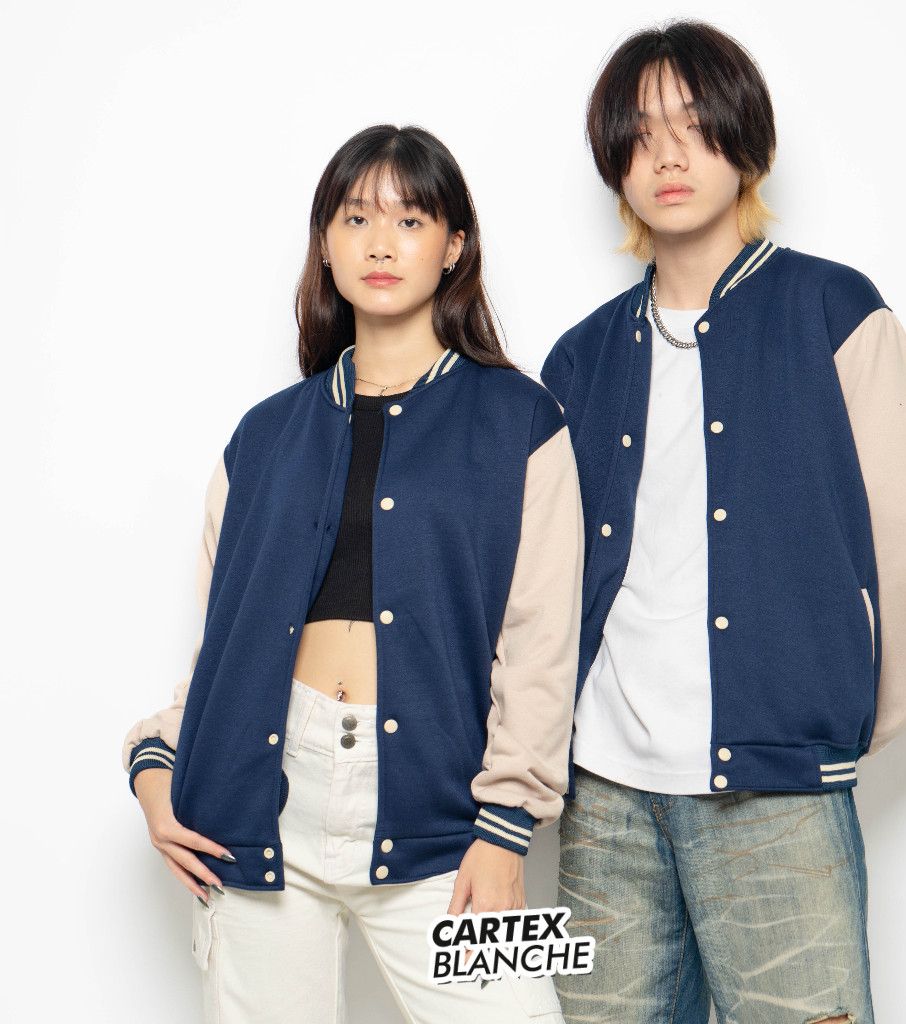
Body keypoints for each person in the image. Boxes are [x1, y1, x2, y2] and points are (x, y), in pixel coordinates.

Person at [123, 124, 583, 1024]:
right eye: (357, 218)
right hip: (259, 808)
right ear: (325, 244)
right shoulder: (263, 436)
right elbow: (228, 646)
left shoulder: (522, 422)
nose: (380, 244)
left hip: (445, 812)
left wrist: (505, 829)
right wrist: (155, 762)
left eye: (410, 221)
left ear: (454, 247)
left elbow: (541, 646)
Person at [542, 21, 906, 1024]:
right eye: (641, 134)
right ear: (614, 162)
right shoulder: (579, 359)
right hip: (602, 795)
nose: (668, 156)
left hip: (778, 790)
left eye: (693, 124)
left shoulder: (834, 311)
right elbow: (537, 581)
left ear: (745, 139)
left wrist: (833, 719)